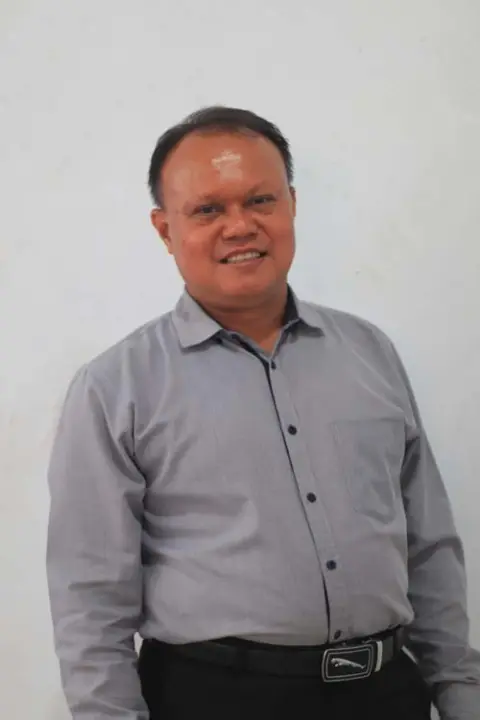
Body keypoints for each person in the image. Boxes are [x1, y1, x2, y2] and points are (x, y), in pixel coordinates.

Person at [47, 106, 480, 720]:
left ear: (292, 205)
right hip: (215, 699)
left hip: (386, 694)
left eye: (260, 200)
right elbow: (90, 600)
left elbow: (428, 543)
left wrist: (459, 689)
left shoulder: (370, 353)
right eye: (207, 210)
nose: (240, 226)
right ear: (165, 229)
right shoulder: (115, 387)